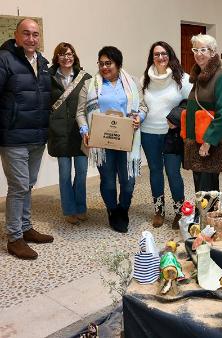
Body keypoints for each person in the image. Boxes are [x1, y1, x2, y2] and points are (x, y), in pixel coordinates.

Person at [76, 46, 147, 233]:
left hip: (127, 141)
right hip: (102, 142)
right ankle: (112, 210)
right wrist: (85, 130)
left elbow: (143, 107)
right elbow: (80, 113)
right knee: (107, 180)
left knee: (128, 181)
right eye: (101, 63)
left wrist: (140, 117)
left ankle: (123, 209)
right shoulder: (90, 85)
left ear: (118, 64)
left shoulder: (132, 82)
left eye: (109, 63)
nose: (105, 67)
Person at [0, 18, 54, 260]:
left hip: (36, 135)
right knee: (19, 185)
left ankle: (25, 227)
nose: (31, 39)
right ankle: (14, 238)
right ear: (16, 35)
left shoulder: (42, 62)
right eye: (26, 34)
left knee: (28, 184)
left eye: (35, 34)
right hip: (13, 137)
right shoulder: (5, 59)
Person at [141, 41, 192, 228]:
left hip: (172, 135)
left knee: (172, 172)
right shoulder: (144, 79)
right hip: (149, 133)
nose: (160, 57)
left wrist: (175, 116)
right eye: (156, 54)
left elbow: (190, 102)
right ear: (151, 57)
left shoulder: (182, 78)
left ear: (170, 55)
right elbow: (142, 104)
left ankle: (179, 211)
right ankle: (159, 210)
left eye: (164, 54)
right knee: (155, 171)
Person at [184, 34, 222, 192]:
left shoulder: (221, 78)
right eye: (195, 49)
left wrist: (208, 142)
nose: (198, 54)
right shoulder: (200, 77)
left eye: (203, 50)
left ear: (213, 52)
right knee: (202, 188)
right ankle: (204, 215)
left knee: (207, 190)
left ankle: (207, 216)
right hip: (197, 143)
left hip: (210, 145)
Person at [48, 42, 91, 225]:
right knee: (64, 174)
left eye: (70, 54)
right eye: (63, 54)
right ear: (57, 57)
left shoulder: (85, 78)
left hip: (81, 132)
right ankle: (69, 210)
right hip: (58, 133)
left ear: (75, 56)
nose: (67, 57)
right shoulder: (47, 77)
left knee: (81, 173)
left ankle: (80, 207)